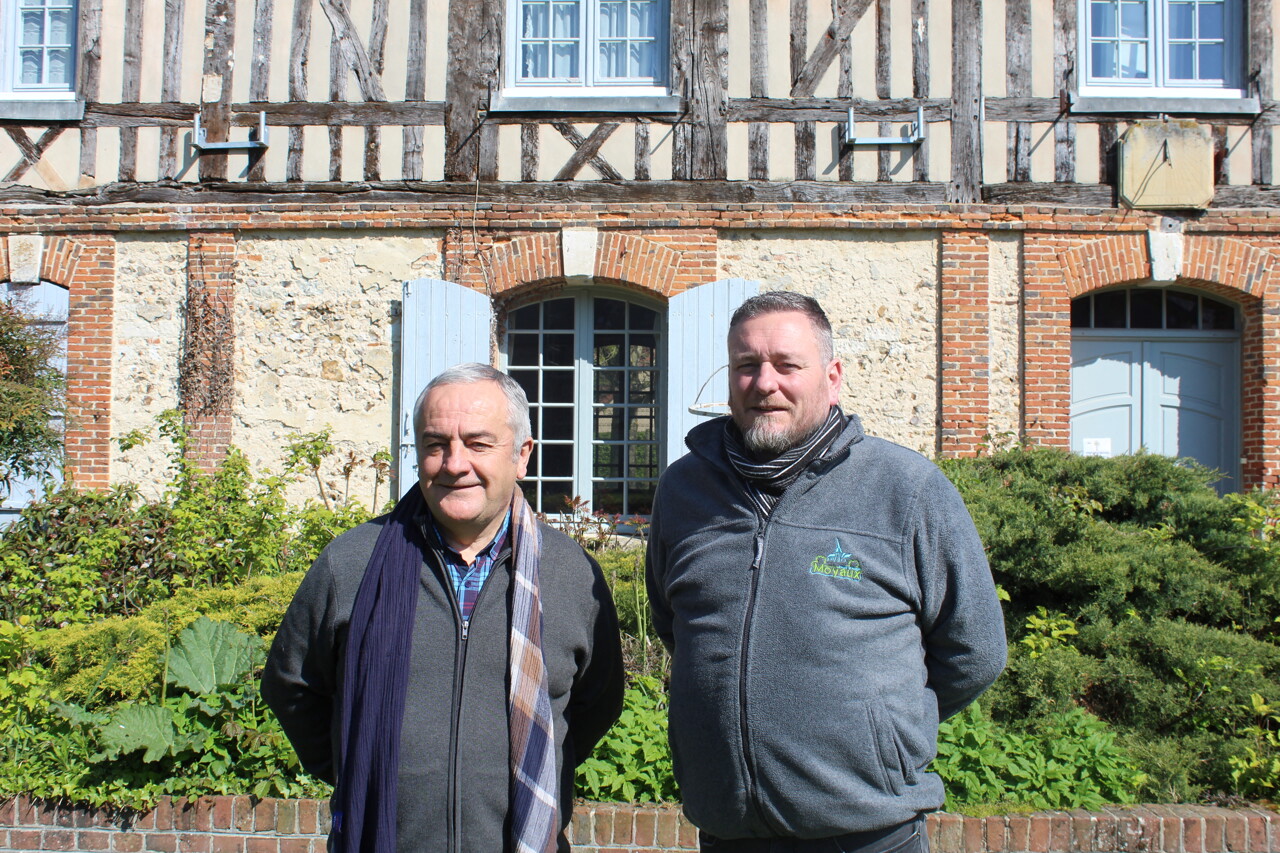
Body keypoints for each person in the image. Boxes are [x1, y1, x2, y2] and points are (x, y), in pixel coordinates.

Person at [646, 292, 1007, 852]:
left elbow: (975, 648)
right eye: (747, 366)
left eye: (788, 365)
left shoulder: (906, 490)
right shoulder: (684, 490)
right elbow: (676, 624)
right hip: (728, 831)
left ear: (832, 376)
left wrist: (881, 728)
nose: (765, 383)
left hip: (867, 834)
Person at [263, 363, 624, 853]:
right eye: (436, 445)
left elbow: (594, 704)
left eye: (478, 444)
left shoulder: (571, 575)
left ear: (522, 455)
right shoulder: (350, 564)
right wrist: (362, 767)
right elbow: (293, 686)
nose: (454, 463)